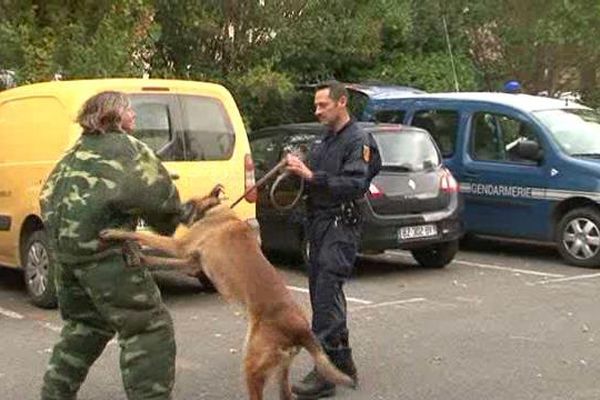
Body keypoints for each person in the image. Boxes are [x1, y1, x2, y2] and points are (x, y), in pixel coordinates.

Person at [40, 91, 183, 400]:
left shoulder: (74, 152)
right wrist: (178, 223)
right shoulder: (128, 150)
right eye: (130, 111)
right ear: (116, 116)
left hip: (65, 258)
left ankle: (53, 395)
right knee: (148, 328)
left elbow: (47, 196)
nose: (134, 116)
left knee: (85, 327)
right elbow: (163, 205)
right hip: (105, 257)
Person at [286, 80, 381, 399]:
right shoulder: (326, 139)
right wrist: (297, 168)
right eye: (316, 106)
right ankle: (344, 364)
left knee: (327, 295)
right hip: (319, 224)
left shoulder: (359, 140)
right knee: (324, 296)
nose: (317, 111)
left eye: (322, 105)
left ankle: (325, 374)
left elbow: (356, 183)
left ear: (342, 103)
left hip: (341, 226)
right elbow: (312, 174)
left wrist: (313, 177)